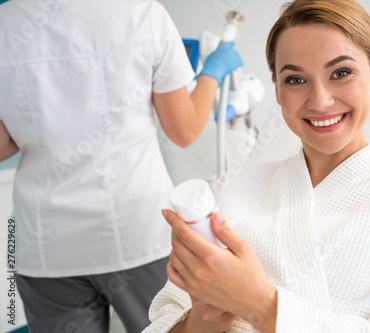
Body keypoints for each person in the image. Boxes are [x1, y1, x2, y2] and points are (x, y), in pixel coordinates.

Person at [143, 0, 370, 332]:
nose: (320, 100)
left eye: (341, 72)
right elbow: (166, 319)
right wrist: (206, 319)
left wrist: (262, 306)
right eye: (295, 79)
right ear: (277, 90)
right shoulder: (233, 187)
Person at [0, 0, 242, 332]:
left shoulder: (5, 21)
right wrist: (212, 73)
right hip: (137, 235)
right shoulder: (142, 14)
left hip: (46, 244)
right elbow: (184, 131)